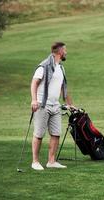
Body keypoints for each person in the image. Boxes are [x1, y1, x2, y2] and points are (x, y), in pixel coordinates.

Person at [30, 42, 74, 170]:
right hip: (42, 105)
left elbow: (63, 88)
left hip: (56, 106)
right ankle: (35, 162)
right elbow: (34, 84)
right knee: (39, 134)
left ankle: (51, 161)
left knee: (56, 133)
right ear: (60, 51)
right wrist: (34, 100)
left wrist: (70, 105)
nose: (66, 52)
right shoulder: (43, 66)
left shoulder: (60, 68)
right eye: (65, 50)